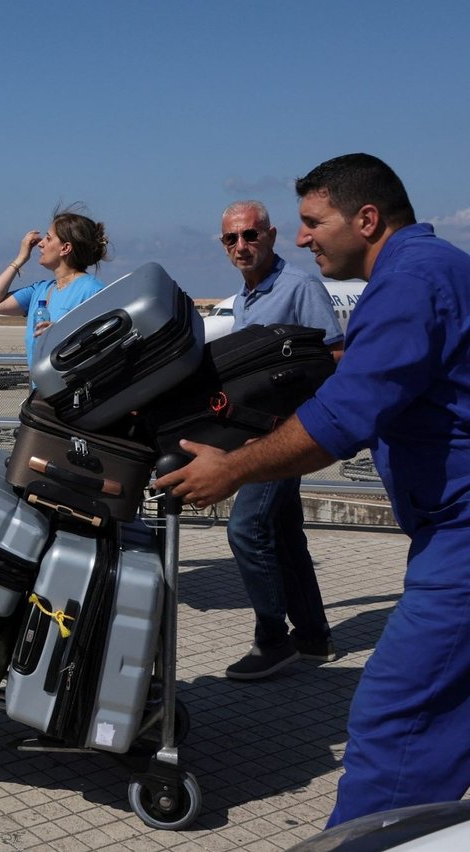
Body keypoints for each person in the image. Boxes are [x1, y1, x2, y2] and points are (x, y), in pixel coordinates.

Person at [155, 153, 470, 826]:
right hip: (446, 533)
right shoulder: (430, 272)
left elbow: (341, 417)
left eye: (310, 222)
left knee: (397, 722)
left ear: (366, 218)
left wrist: (231, 468)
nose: (302, 239)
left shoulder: (411, 283)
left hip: (463, 542)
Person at [218, 200, 344, 681]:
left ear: (271, 236)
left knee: (246, 530)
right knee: (286, 536)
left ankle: (272, 639)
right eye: (232, 239)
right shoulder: (246, 296)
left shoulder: (298, 286)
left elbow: (334, 355)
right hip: (254, 434)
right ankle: (313, 637)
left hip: (282, 437)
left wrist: (301, 424)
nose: (242, 246)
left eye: (251, 235)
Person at [0, 209, 109, 365]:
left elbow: (103, 341)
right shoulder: (39, 290)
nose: (40, 243)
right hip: (41, 388)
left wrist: (61, 335)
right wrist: (20, 259)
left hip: (72, 386)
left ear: (65, 248)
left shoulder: (91, 290)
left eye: (48, 238)